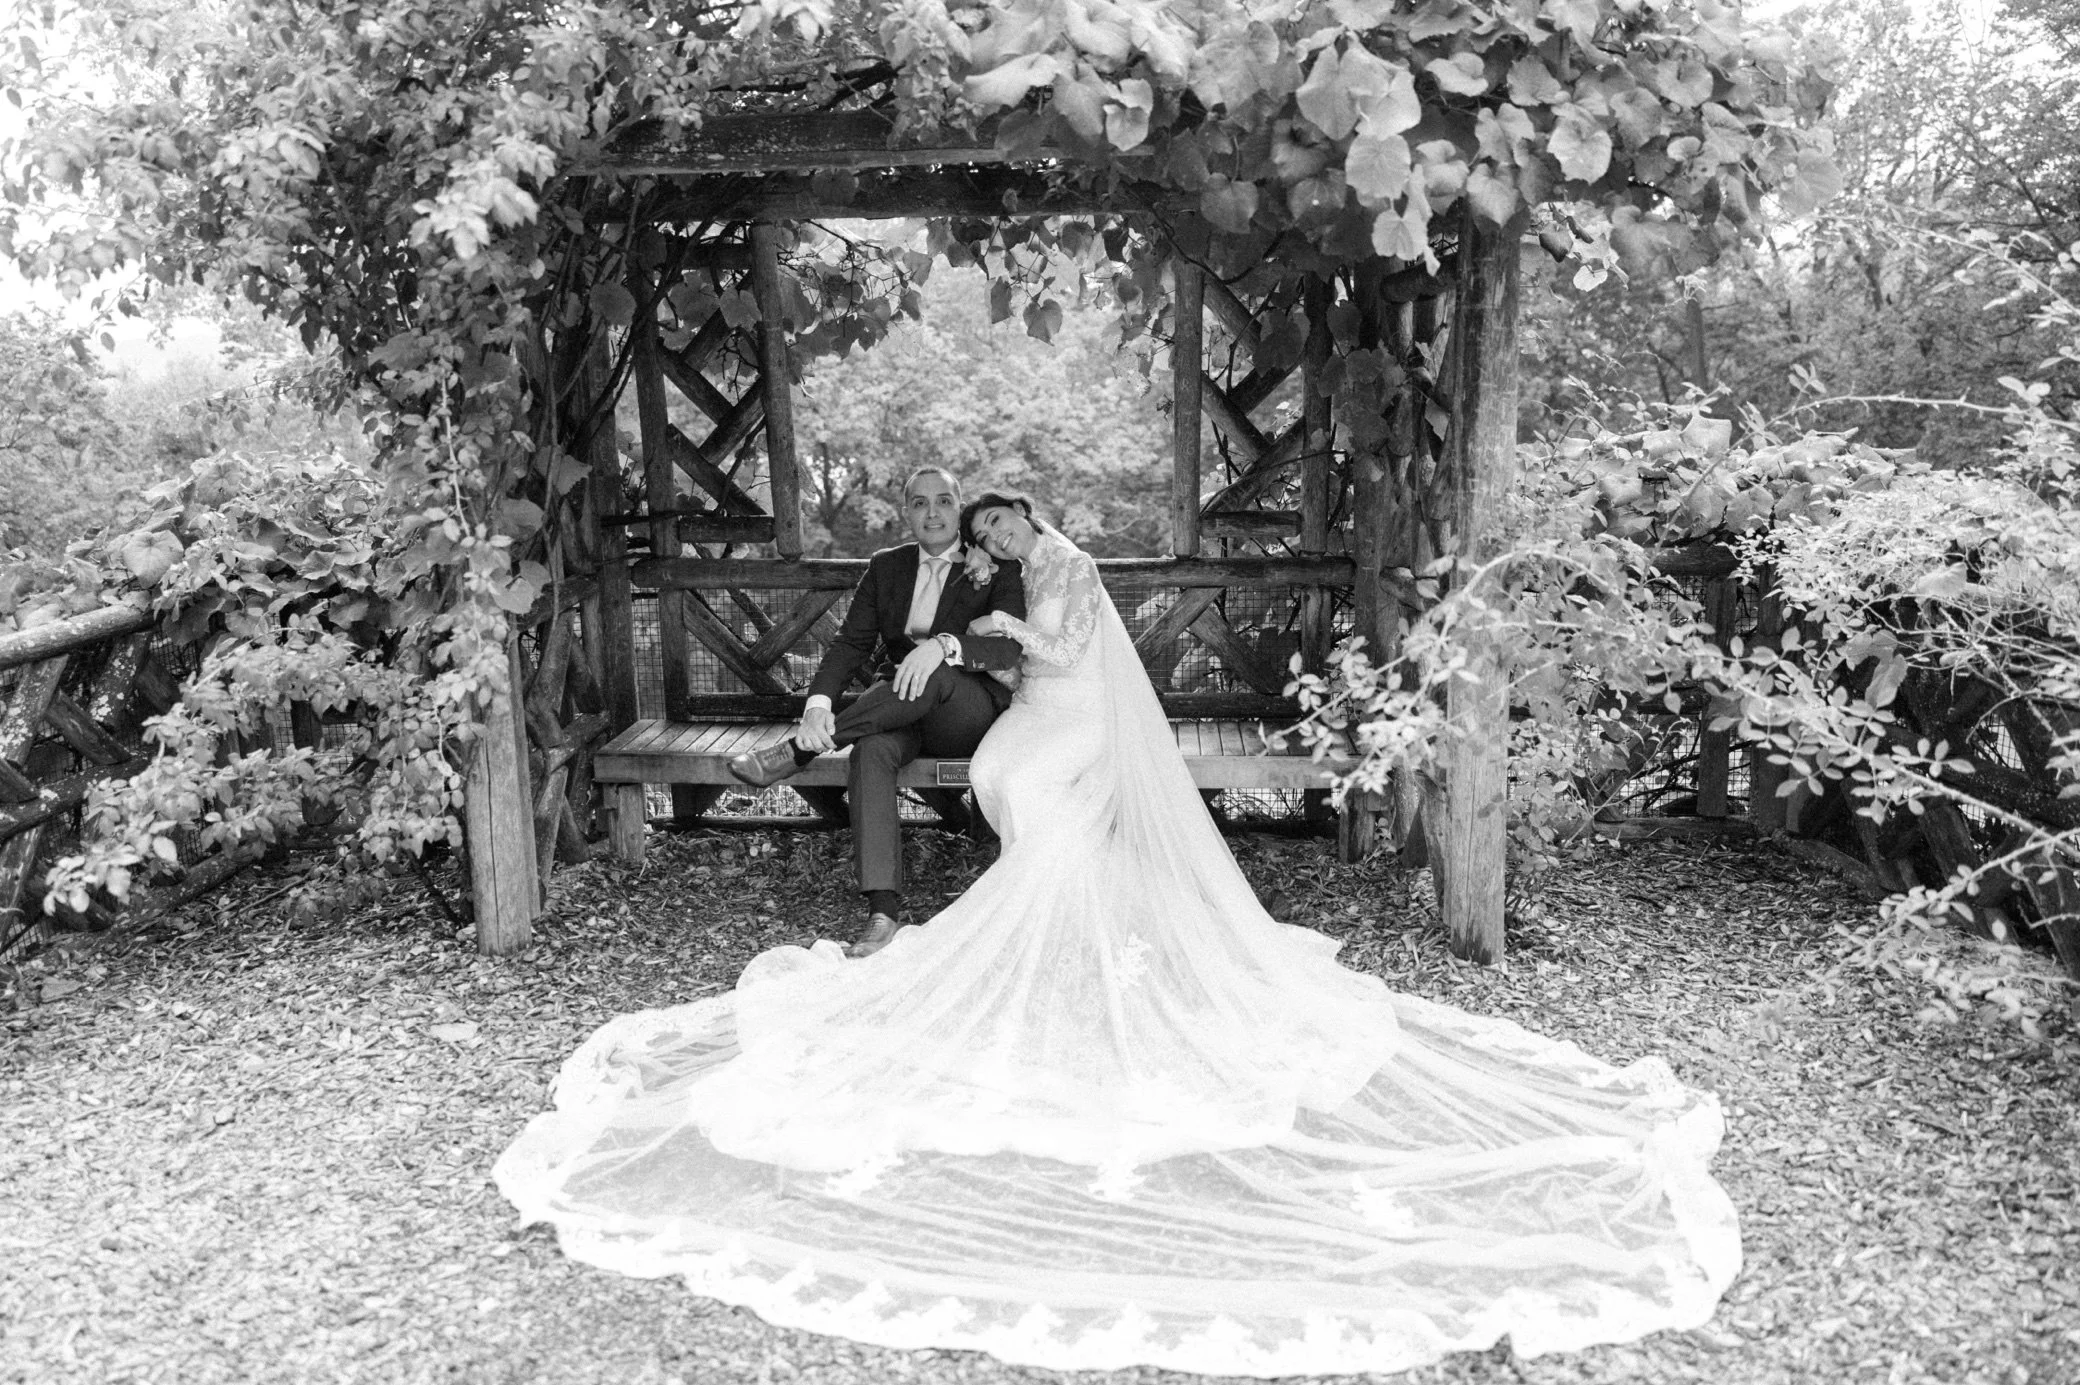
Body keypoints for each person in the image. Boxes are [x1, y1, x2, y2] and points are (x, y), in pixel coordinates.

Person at [495, 496, 1741, 1377]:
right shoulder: (902, 566)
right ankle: (863, 802)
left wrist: (970, 631)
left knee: (996, 762)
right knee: (920, 733)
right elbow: (867, 636)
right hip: (965, 700)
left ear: (1018, 521)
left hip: (1037, 697)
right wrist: (877, 666)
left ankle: (1055, 918)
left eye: (993, 524)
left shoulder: (1045, 568)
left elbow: (1056, 649)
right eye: (970, 527)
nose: (981, 537)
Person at [725, 465, 1027, 957]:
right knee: (870, 751)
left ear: (960, 508)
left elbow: (1009, 651)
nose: (933, 512)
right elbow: (850, 644)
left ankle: (798, 754)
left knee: (936, 670)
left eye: (944, 501)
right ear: (906, 512)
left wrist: (944, 647)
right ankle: (882, 911)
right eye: (920, 502)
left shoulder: (996, 566)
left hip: (967, 710)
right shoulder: (886, 567)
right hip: (898, 711)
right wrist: (817, 705)